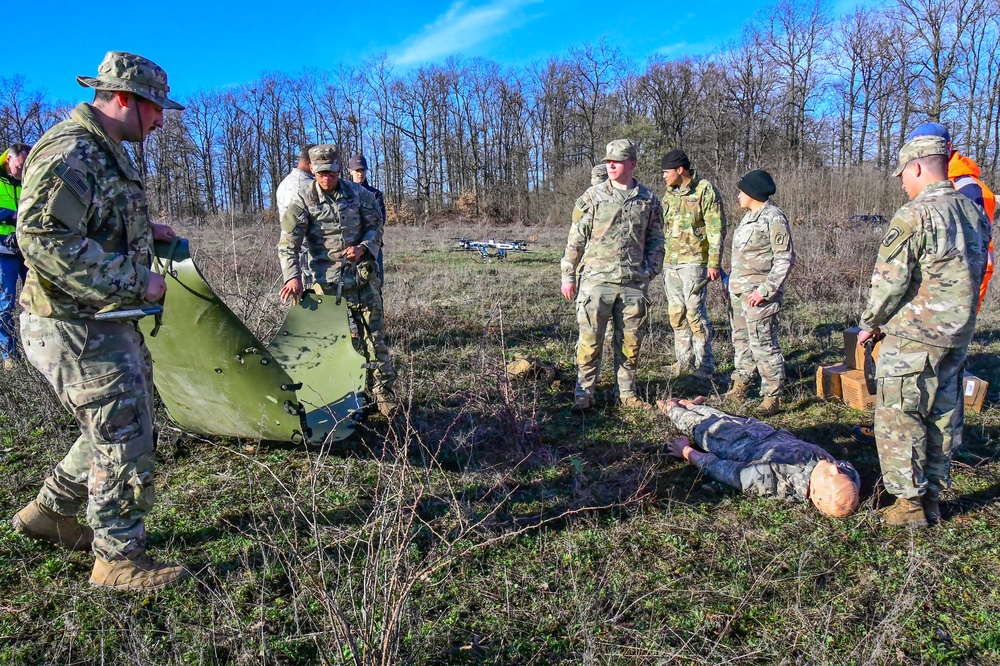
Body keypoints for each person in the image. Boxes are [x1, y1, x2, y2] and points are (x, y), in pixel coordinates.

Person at [10, 51, 189, 589]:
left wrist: (143, 232)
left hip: (94, 319)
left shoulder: (103, 151)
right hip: (71, 325)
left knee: (114, 422)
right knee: (123, 431)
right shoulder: (73, 152)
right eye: (155, 108)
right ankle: (116, 558)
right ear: (124, 99)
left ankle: (51, 513)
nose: (160, 120)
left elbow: (86, 223)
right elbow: (41, 238)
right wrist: (137, 281)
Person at [857, 135, 990, 527]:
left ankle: (909, 504)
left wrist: (869, 324)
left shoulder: (915, 214)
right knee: (943, 415)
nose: (901, 182)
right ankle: (931, 495)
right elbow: (980, 268)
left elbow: (890, 283)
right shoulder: (973, 211)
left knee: (900, 417)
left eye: (903, 174)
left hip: (915, 335)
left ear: (916, 167)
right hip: (957, 335)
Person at [278, 145, 397, 415]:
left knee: (374, 338)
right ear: (312, 169)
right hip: (329, 286)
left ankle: (382, 393)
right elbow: (288, 245)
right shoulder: (302, 200)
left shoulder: (359, 194)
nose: (326, 178)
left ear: (339, 169)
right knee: (334, 344)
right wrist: (293, 277)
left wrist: (364, 247)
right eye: (320, 173)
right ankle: (342, 397)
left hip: (363, 280)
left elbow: (376, 226)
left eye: (331, 172)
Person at [560, 139, 665, 410]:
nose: (611, 166)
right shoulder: (593, 196)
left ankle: (627, 394)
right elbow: (576, 239)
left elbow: (656, 240)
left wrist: (649, 271)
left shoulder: (648, 199)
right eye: (608, 161)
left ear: (632, 164)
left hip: (632, 284)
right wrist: (568, 275)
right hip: (597, 282)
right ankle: (584, 393)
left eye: (617, 161)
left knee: (630, 343)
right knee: (590, 341)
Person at [658, 397, 860, 517]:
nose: (835, 468)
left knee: (689, 420)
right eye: (841, 473)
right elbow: (849, 477)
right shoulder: (842, 473)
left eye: (832, 476)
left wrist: (686, 452)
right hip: (755, 429)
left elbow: (724, 471)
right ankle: (690, 404)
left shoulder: (773, 479)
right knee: (712, 412)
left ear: (815, 493)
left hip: (724, 440)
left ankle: (670, 406)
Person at [723, 169, 795, 416]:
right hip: (740, 294)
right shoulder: (749, 217)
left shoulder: (773, 217)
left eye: (741, 191)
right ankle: (741, 384)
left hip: (759, 297)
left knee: (763, 344)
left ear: (752, 192)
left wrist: (765, 291)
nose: (738, 195)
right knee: (741, 341)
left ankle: (772, 396)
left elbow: (784, 259)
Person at [908, 122, 995, 311]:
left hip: (954, 299)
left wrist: (966, 309)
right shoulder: (929, 185)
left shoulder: (971, 191)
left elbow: (979, 257)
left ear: (947, 148)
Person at [659, 149, 727, 380]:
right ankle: (683, 362)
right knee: (676, 314)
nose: (664, 177)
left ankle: (705, 365)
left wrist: (714, 263)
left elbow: (716, 229)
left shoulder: (704, 190)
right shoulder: (669, 195)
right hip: (672, 264)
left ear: (680, 169)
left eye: (666, 172)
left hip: (695, 263)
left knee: (695, 314)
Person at [0, 143, 31, 370]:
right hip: (2, 252)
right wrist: (11, 216)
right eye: (20, 167)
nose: (23, 172)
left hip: (29, 250)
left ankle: (37, 356)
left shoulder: (33, 177)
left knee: (37, 302)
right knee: (5, 305)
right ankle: (10, 357)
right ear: (9, 160)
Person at [276, 144, 315, 286]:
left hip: (294, 250)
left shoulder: (285, 183)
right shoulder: (305, 186)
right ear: (312, 162)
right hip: (306, 252)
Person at [348, 155, 387, 282]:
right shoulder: (344, 194)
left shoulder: (375, 194)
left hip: (371, 246)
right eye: (357, 170)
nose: (360, 174)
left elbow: (379, 222)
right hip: (350, 247)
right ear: (350, 171)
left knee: (375, 283)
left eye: (363, 170)